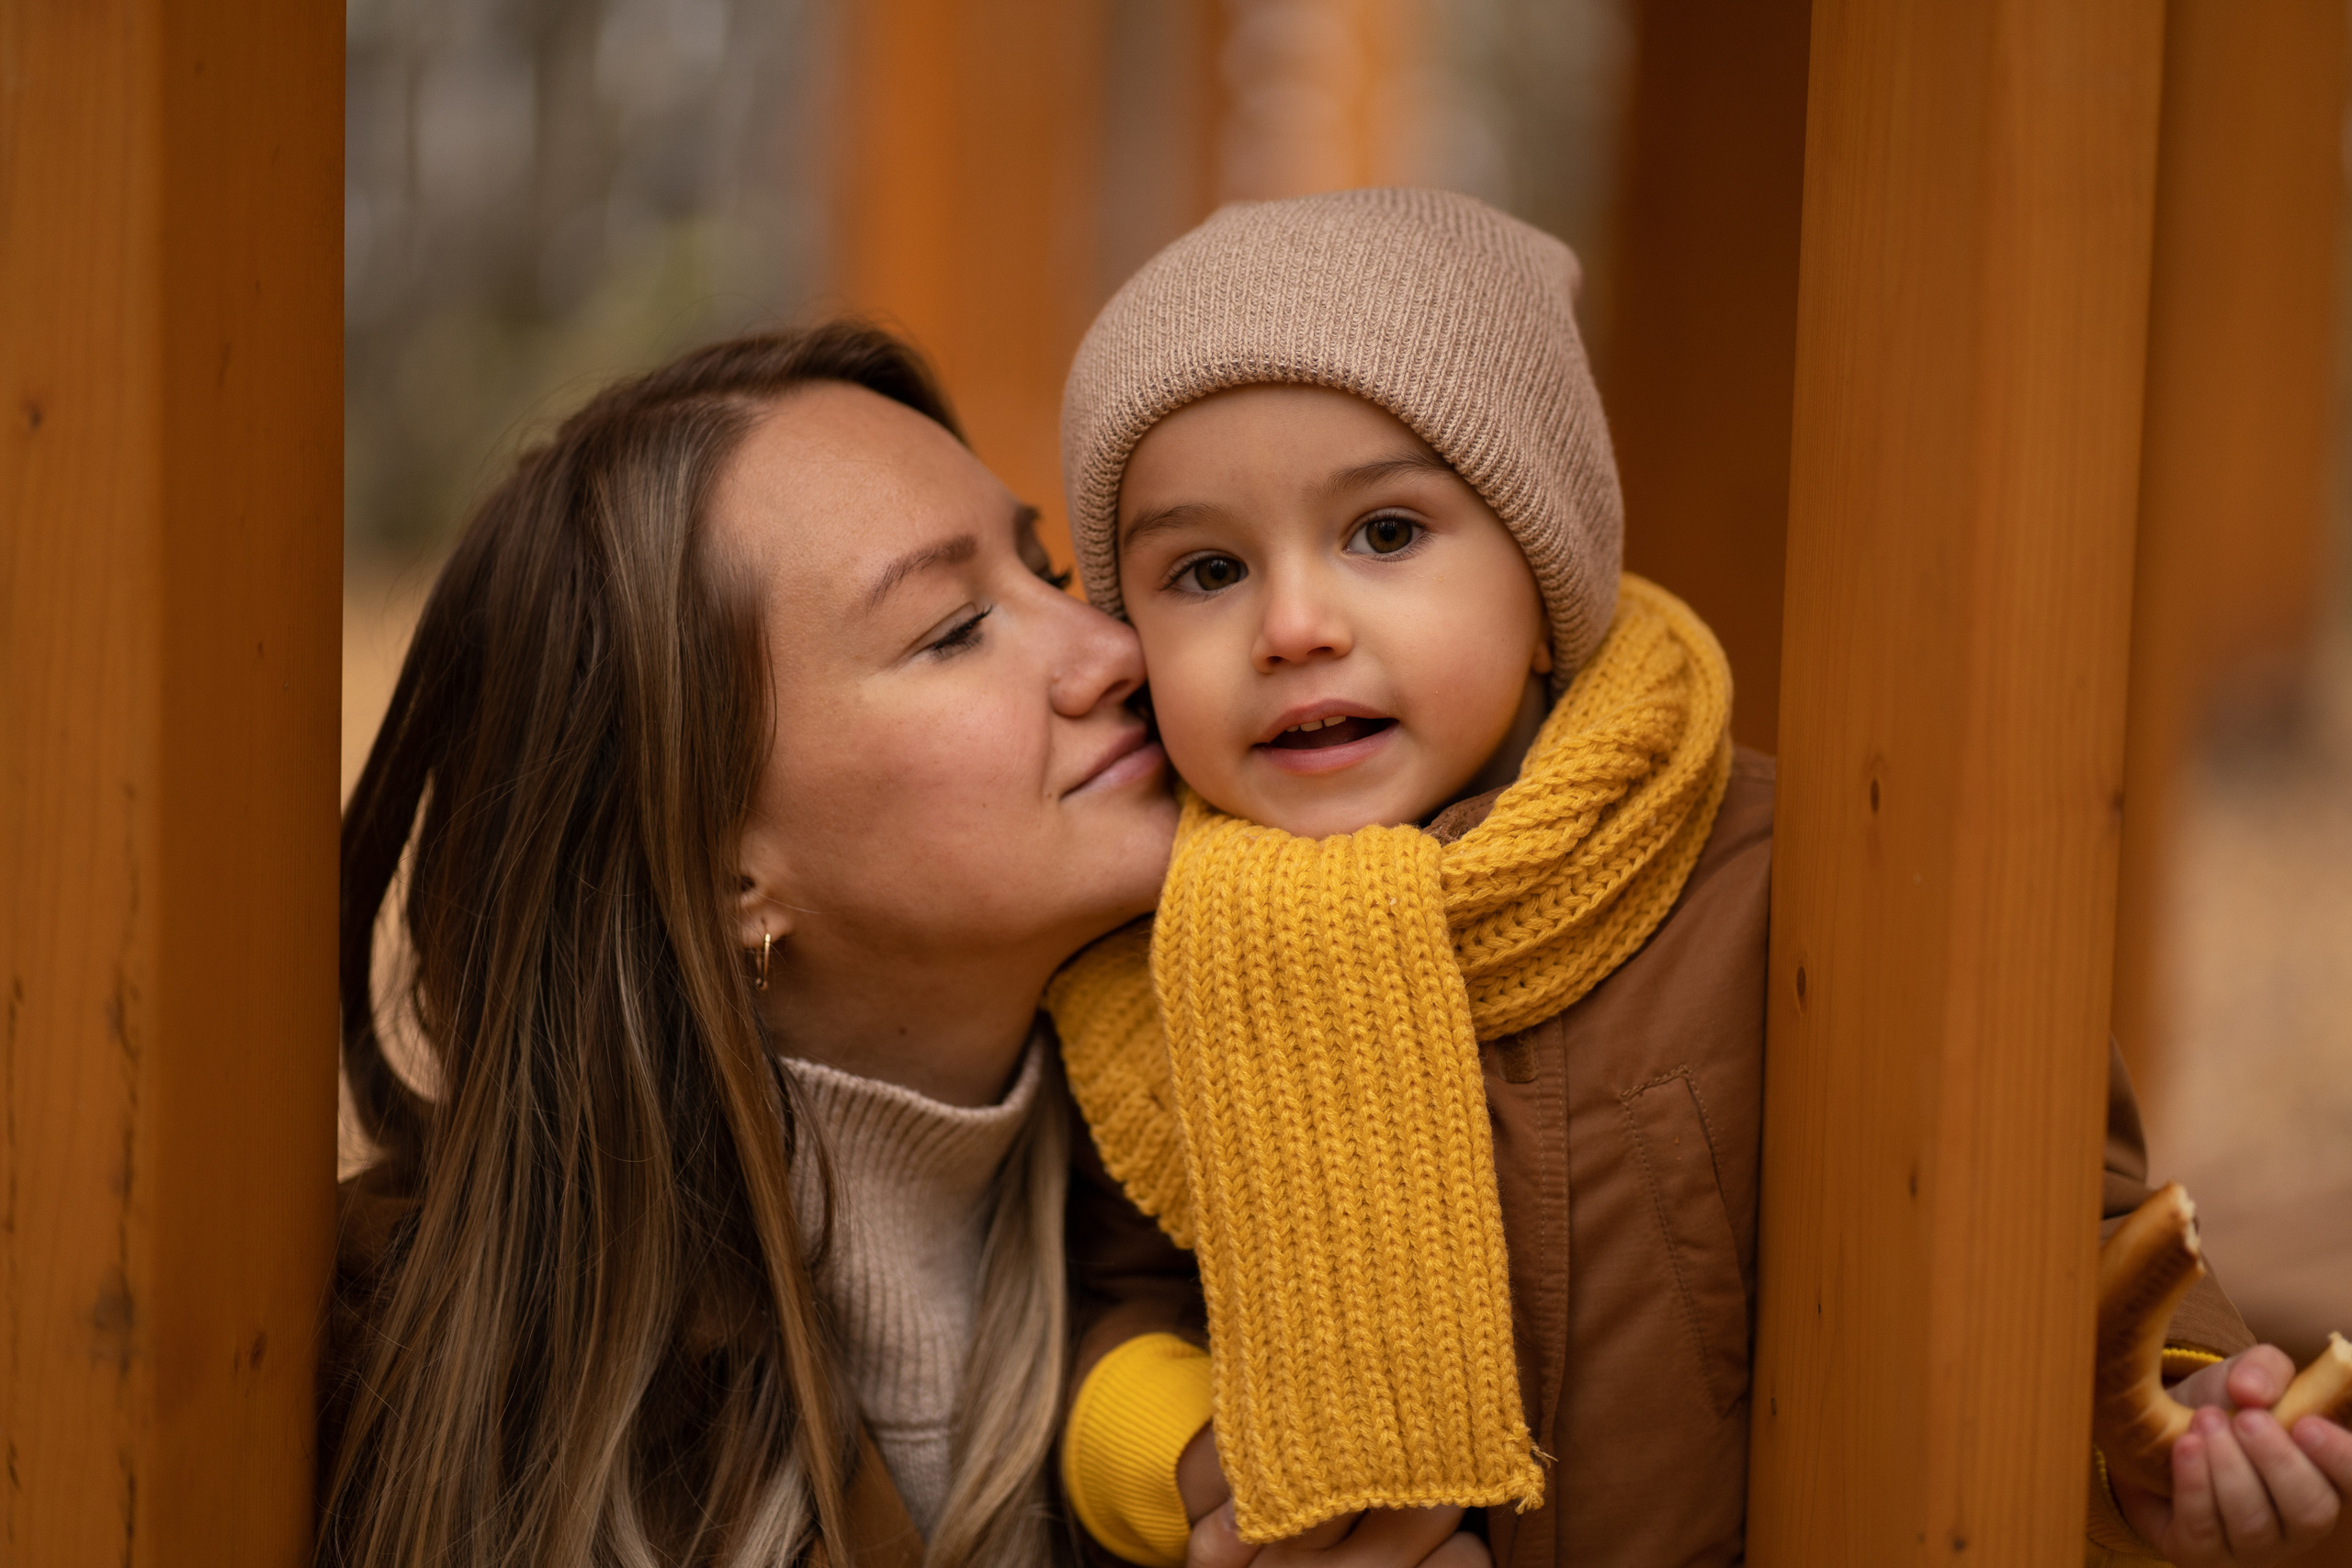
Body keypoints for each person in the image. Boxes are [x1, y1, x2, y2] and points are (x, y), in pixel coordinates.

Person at [1044, 188, 2352, 1568]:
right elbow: (1107, 1307)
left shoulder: (1781, 884)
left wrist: (2184, 1401)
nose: (1294, 627)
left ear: (1545, 582)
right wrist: (1212, 1469)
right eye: (1204, 570)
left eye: (1385, 535)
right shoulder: (1155, 955)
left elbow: (2048, 1224)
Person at [323, 322, 1196, 1567]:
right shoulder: (393, 1365)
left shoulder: (1253, 1195)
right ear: (721, 866)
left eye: (1044, 573)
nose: (1113, 650)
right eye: (953, 630)